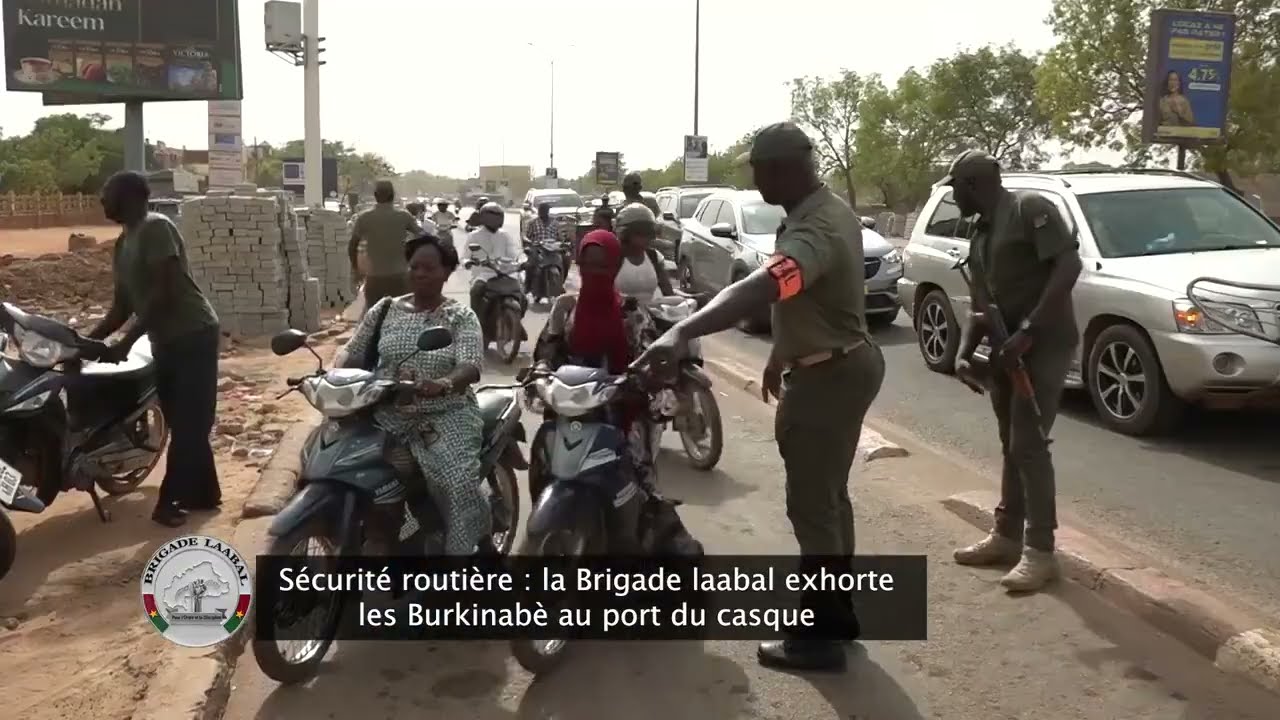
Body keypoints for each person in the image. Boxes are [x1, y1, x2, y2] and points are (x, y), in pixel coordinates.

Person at [632, 122, 884, 672]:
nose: (755, 177)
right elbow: (804, 298)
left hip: (829, 379)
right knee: (831, 499)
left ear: (785, 167)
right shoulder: (819, 211)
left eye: (760, 168)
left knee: (813, 506)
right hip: (834, 362)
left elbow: (767, 284)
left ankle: (817, 637)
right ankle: (838, 616)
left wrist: (682, 330)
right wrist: (782, 353)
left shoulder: (816, 227)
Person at [944, 149, 1083, 592]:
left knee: (1028, 444)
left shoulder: (1029, 209)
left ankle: (1040, 552)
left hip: (1045, 342)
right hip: (1007, 347)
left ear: (971, 184)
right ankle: (1005, 536)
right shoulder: (980, 233)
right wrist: (963, 353)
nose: (953, 197)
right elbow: (981, 304)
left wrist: (1029, 330)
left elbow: (1069, 265)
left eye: (955, 188)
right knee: (1010, 442)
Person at [530, 229, 697, 552]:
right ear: (578, 264)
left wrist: (643, 380)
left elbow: (650, 358)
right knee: (544, 456)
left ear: (615, 267)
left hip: (621, 412)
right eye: (587, 265)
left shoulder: (633, 313)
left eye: (602, 266)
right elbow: (547, 351)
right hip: (570, 409)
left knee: (640, 481)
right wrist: (538, 371)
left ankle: (648, 534)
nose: (594, 273)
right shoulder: (565, 309)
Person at [336, 233, 492, 555]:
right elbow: (353, 353)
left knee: (456, 481)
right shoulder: (385, 309)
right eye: (415, 266)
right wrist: (333, 377)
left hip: (445, 413)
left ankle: (465, 555)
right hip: (387, 411)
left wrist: (443, 383)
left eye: (429, 268)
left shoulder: (460, 317)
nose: (420, 273)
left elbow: (470, 366)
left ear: (446, 272)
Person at [89, 171, 223, 528]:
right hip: (165, 340)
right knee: (184, 422)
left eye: (108, 193)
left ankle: (170, 501)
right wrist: (88, 342)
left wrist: (127, 342)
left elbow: (165, 293)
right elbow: (121, 306)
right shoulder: (123, 243)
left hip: (194, 334)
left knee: (192, 423)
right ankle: (206, 494)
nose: (103, 201)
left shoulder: (156, 228)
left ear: (132, 197)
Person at [348, 180, 425, 308]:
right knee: (401, 317)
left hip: (374, 278)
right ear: (393, 195)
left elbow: (352, 246)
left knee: (375, 318)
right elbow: (423, 237)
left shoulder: (364, 217)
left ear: (375, 195)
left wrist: (356, 269)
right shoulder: (403, 216)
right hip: (400, 278)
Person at [466, 201, 525, 326]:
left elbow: (513, 253)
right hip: (484, 273)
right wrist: (468, 262)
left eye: (498, 216)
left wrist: (520, 262)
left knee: (523, 297)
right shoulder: (474, 236)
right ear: (484, 218)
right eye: (492, 216)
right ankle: (476, 325)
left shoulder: (505, 235)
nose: (496, 219)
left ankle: (516, 324)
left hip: (505, 273)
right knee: (475, 292)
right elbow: (465, 256)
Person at [613, 203, 675, 303]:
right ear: (625, 233)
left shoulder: (654, 257)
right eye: (640, 233)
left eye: (649, 232)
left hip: (654, 313)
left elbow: (667, 291)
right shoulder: (612, 258)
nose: (647, 237)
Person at [523, 201, 561, 294]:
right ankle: (527, 286)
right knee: (530, 265)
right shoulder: (532, 223)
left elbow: (560, 236)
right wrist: (529, 243)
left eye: (544, 210)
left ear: (548, 211)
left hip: (552, 249)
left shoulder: (555, 223)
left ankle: (560, 285)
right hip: (537, 248)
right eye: (541, 210)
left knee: (564, 261)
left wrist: (562, 243)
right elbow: (526, 236)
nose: (542, 212)